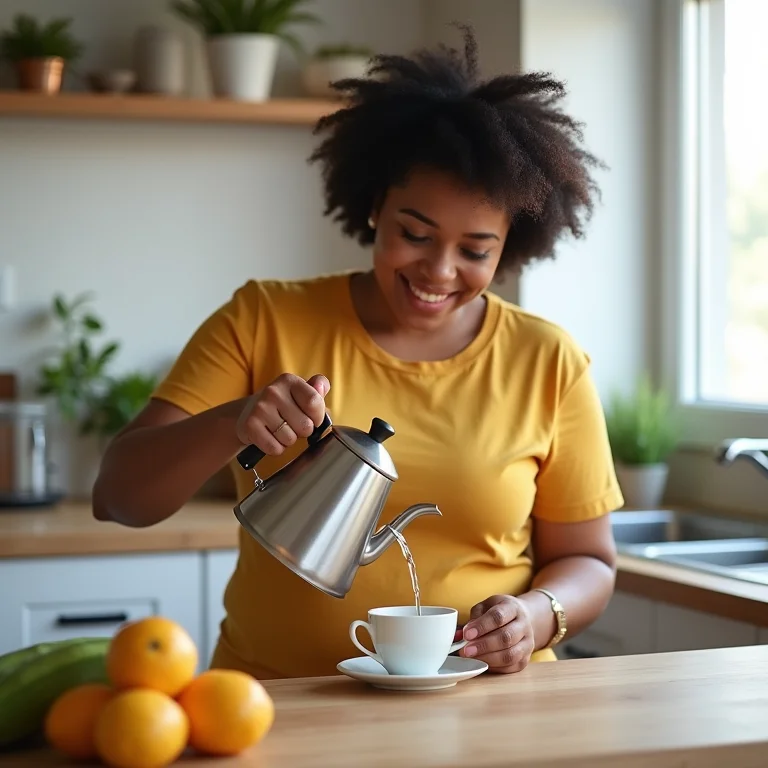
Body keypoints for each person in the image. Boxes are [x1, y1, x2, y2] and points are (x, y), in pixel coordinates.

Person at [92, 26, 623, 680]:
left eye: (475, 250)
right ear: (376, 207)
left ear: (510, 247)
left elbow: (591, 562)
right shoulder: (265, 318)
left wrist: (536, 616)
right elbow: (118, 498)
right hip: (273, 707)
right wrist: (232, 421)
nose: (439, 270)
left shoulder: (548, 360)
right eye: (414, 234)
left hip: (489, 710)